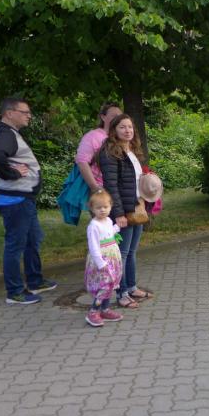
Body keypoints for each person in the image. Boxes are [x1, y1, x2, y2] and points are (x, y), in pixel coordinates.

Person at [0, 98, 58, 305]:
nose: (29, 116)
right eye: (24, 112)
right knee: (16, 244)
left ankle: (35, 280)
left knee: (32, 238)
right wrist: (11, 174)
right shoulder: (5, 133)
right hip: (14, 198)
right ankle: (15, 292)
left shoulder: (0, 131)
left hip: (18, 196)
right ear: (9, 113)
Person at [99, 114, 151, 309]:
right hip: (123, 210)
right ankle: (121, 294)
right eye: (122, 127)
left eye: (130, 127)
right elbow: (111, 186)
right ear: (114, 130)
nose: (127, 130)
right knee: (121, 253)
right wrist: (118, 213)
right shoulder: (110, 153)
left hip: (136, 206)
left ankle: (131, 287)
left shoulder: (131, 151)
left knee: (131, 251)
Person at [83, 189, 124, 327]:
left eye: (105, 207)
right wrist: (101, 263)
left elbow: (109, 233)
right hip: (102, 260)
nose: (102, 210)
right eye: (98, 207)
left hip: (112, 258)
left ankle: (105, 310)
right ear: (92, 209)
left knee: (111, 284)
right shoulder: (93, 226)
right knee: (104, 285)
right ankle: (93, 312)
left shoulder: (108, 220)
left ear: (110, 206)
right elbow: (93, 247)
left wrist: (116, 227)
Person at [75, 103, 123, 192]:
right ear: (103, 117)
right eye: (114, 116)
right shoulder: (93, 136)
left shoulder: (122, 138)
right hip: (99, 191)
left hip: (117, 190)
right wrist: (95, 187)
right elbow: (82, 161)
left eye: (120, 116)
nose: (118, 118)